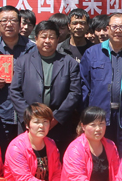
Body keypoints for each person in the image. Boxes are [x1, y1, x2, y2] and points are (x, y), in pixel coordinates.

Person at [9, 20, 82, 149]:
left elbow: (74, 93)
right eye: (43, 36)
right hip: (30, 124)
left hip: (58, 125)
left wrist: (56, 118)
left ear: (57, 39)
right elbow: (14, 91)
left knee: (56, 157)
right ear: (36, 38)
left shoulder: (69, 63)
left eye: (51, 37)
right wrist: (29, 117)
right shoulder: (23, 61)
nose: (47, 41)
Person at [79, 12, 122, 153]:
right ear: (108, 29)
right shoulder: (92, 53)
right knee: (101, 155)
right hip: (99, 119)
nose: (118, 30)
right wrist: (84, 118)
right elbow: (83, 87)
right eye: (114, 26)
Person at [0, 5, 36, 150]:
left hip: (27, 111)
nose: (9, 24)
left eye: (13, 20)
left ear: (19, 23)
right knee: (2, 152)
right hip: (1, 112)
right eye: (4, 21)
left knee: (25, 151)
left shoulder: (32, 48)